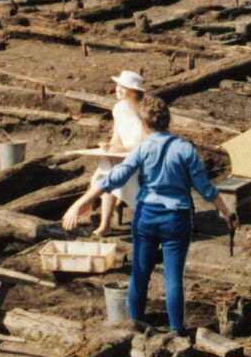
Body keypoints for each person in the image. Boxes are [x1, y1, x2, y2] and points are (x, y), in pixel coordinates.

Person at [62, 96, 235, 334]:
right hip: (177, 218)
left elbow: (115, 177)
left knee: (140, 272)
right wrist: (226, 211)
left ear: (144, 125)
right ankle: (177, 330)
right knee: (174, 278)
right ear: (169, 121)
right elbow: (205, 188)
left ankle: (136, 325)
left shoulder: (142, 149)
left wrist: (82, 201)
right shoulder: (185, 148)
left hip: (146, 216)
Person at [68, 70, 150, 236]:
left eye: (123, 87)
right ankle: (104, 224)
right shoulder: (119, 108)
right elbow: (116, 138)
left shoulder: (146, 110)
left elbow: (149, 143)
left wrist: (126, 149)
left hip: (145, 158)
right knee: (109, 165)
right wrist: (109, 145)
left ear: (134, 91)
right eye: (118, 85)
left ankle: (95, 211)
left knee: (113, 169)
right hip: (124, 157)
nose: (118, 89)